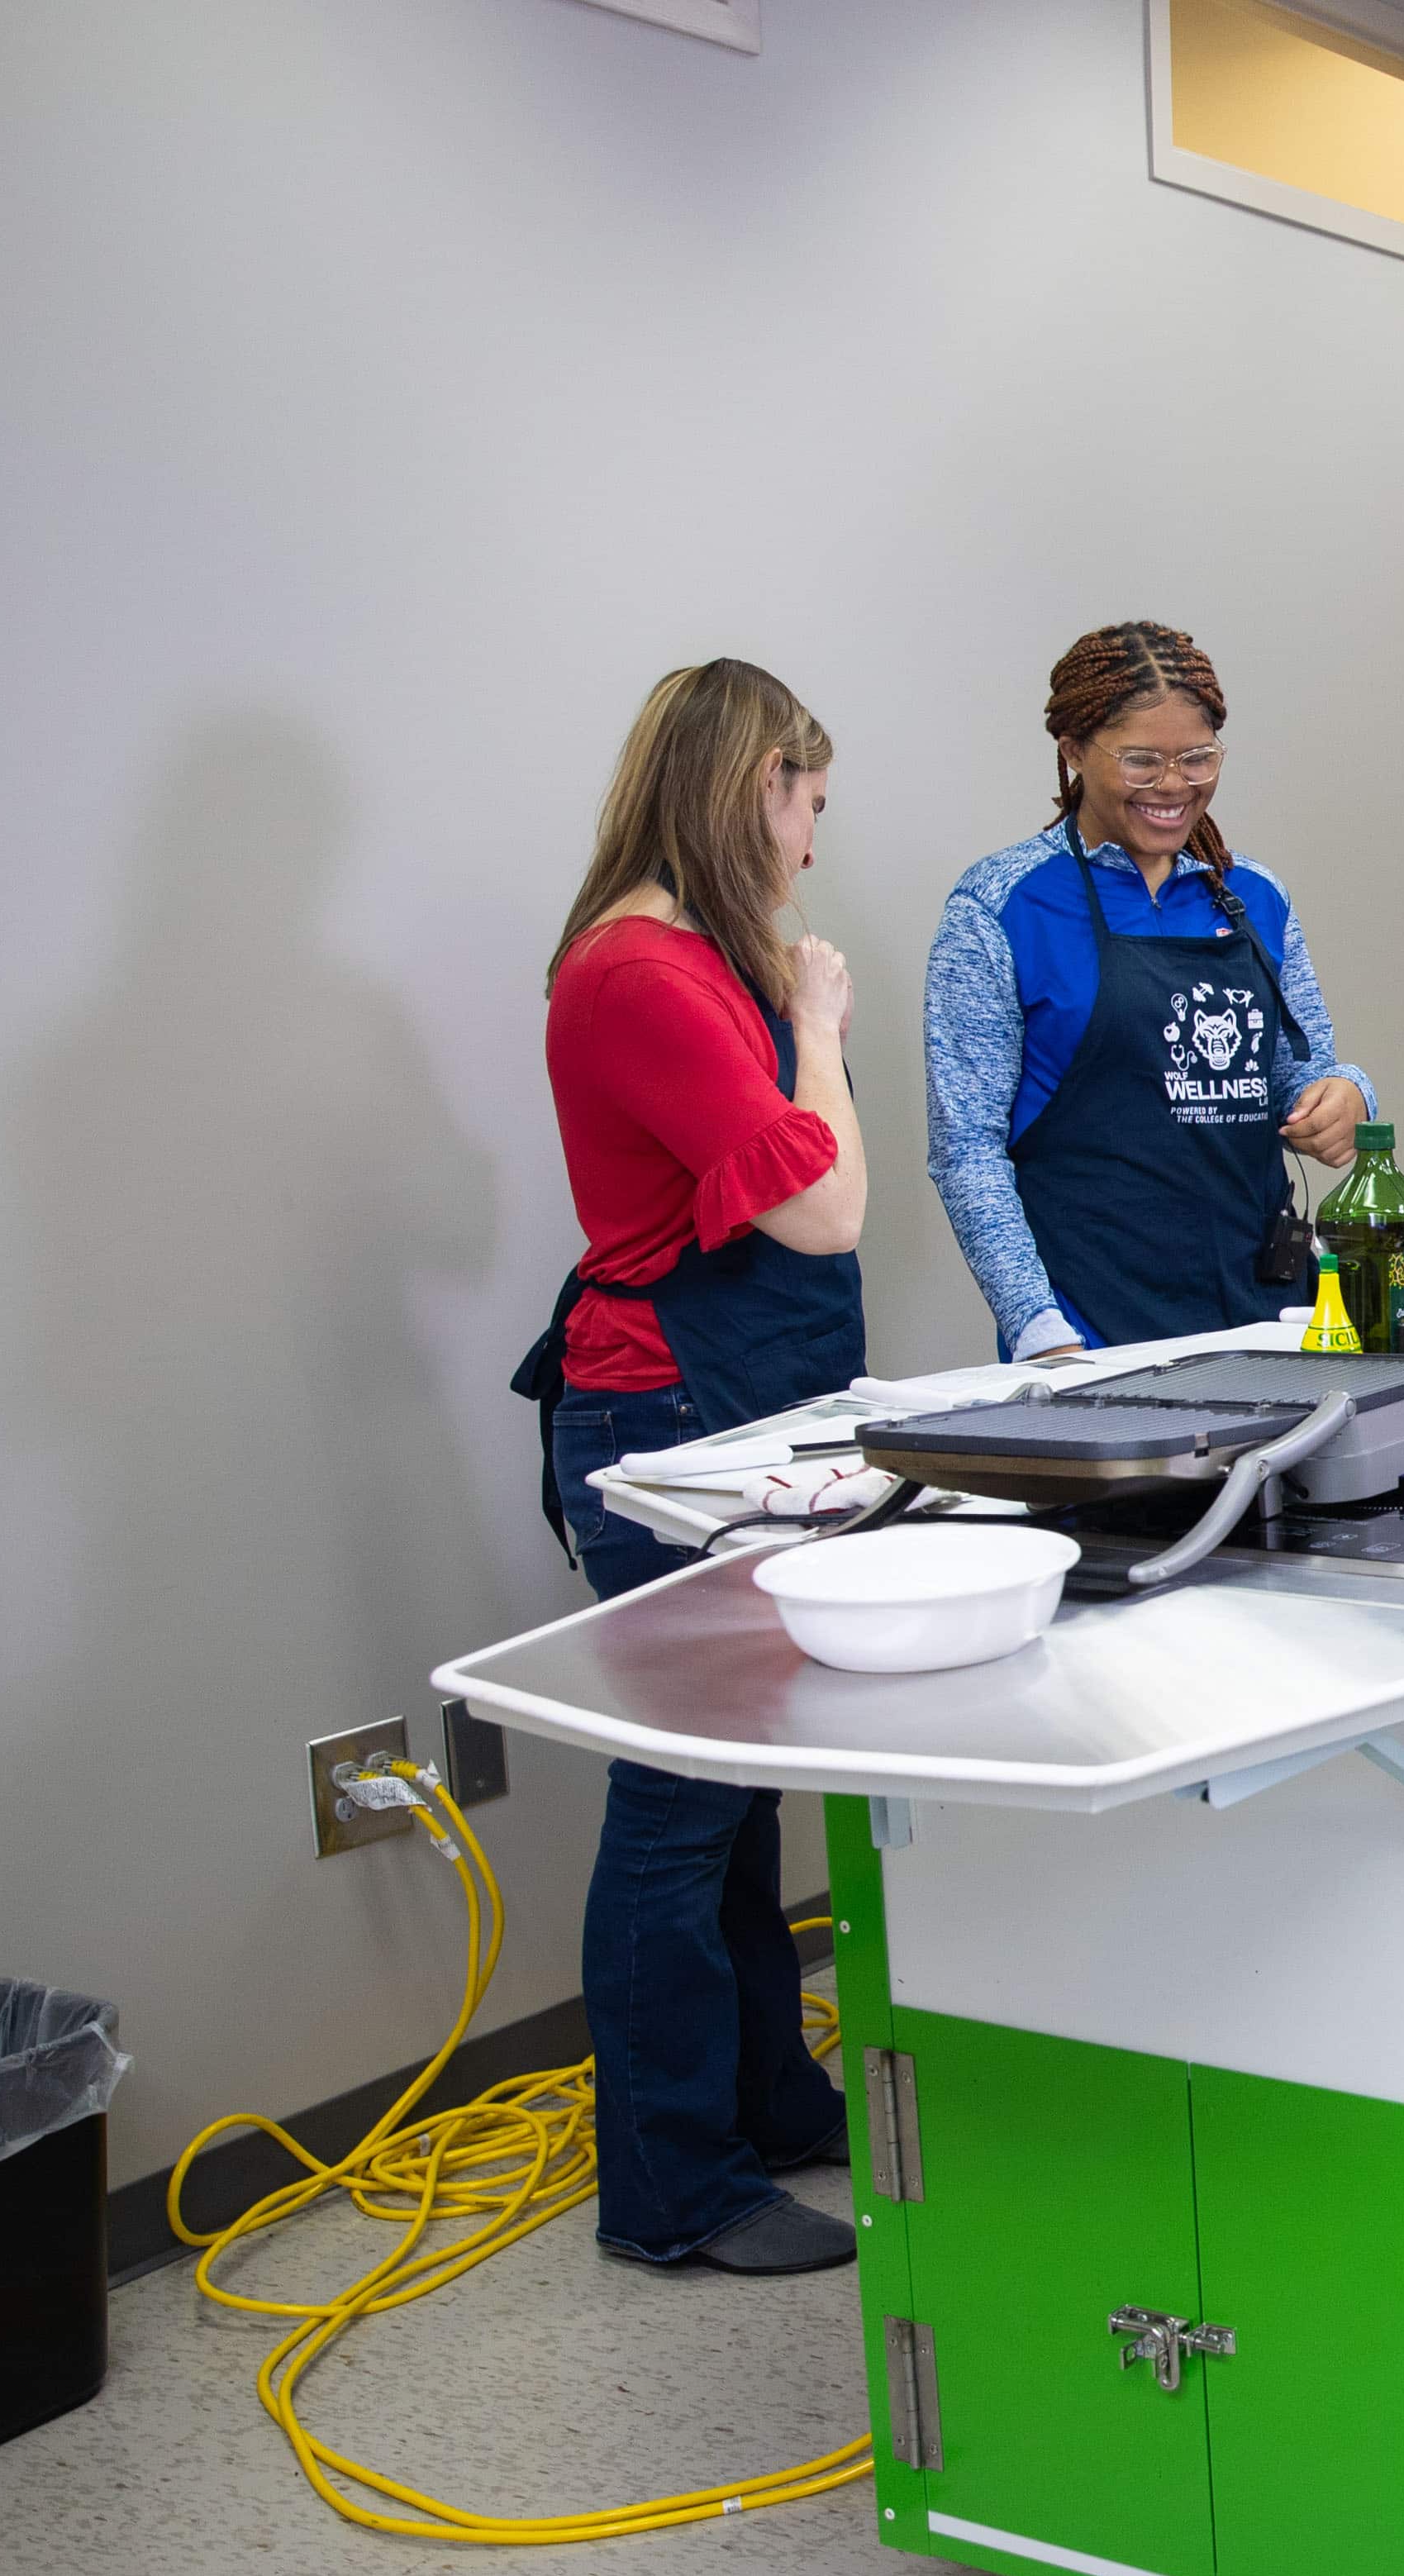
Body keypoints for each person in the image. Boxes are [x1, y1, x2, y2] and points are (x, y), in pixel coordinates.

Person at [526, 659, 865, 2271]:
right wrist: (815, 1026)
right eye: (806, 801)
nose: (812, 841)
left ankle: (768, 2101)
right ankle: (673, 2186)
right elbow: (819, 1203)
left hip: (729, 1415)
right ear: (753, 789)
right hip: (659, 1418)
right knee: (676, 1803)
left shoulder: (685, 965)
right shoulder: (643, 975)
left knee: (733, 1801)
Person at [928, 620, 1374, 1356]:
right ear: (1072, 752)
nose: (1173, 785)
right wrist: (1039, 1328)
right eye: (1141, 761)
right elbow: (965, 1148)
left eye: (1197, 757)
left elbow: (1305, 1071)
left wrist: (1350, 1095)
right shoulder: (1002, 907)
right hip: (1092, 1334)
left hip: (1266, 1321)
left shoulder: (1254, 896)